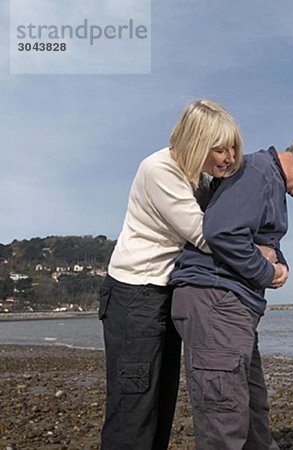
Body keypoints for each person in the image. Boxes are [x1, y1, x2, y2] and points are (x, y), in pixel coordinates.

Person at [169, 130, 293, 449]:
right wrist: (267, 271)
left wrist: (280, 265)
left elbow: (259, 239)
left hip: (232, 307)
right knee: (224, 418)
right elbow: (221, 232)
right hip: (216, 301)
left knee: (253, 410)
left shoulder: (270, 183)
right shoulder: (258, 174)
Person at [98, 99, 244, 450]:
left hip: (164, 293)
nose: (229, 157)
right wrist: (263, 258)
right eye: (220, 148)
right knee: (134, 405)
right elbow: (206, 235)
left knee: (161, 402)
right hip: (135, 296)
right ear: (195, 143)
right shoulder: (160, 169)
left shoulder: (200, 179)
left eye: (234, 147)